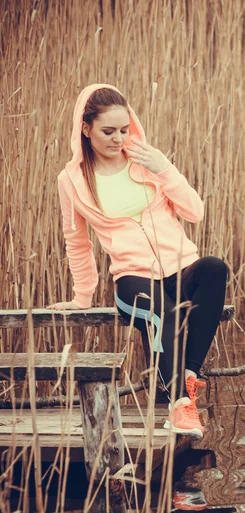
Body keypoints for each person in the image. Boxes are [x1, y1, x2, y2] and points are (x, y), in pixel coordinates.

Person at [46, 83, 228, 439]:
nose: (118, 139)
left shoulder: (147, 162)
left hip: (181, 267)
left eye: (124, 130)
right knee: (165, 310)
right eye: (108, 131)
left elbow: (195, 212)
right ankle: (180, 407)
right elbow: (77, 242)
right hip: (133, 280)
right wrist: (82, 297)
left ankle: (189, 376)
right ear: (86, 129)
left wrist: (165, 168)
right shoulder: (71, 181)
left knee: (214, 267)